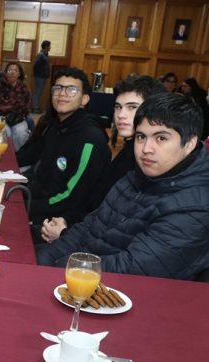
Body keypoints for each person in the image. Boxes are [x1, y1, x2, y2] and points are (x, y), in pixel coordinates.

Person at [37, 93, 209, 280]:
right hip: (82, 273)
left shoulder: (196, 205)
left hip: (122, 289)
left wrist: (56, 269)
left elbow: (132, 268)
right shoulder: (134, 178)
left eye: (161, 138)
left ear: (190, 143)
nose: (146, 149)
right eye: (141, 137)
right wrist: (43, 260)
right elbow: (87, 229)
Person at [41, 75, 167, 243]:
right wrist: (67, 221)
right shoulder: (128, 151)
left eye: (132, 107)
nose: (121, 115)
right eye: (118, 107)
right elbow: (99, 204)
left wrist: (65, 232)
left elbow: (122, 230)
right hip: (81, 227)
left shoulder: (148, 161)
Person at [16, 67, 110, 240]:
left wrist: (26, 206)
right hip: (38, 200)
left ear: (84, 99)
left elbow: (72, 197)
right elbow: (37, 166)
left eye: (71, 89)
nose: (62, 93)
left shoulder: (90, 139)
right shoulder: (56, 127)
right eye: (58, 88)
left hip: (61, 221)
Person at [0, 62, 32, 149]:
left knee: (20, 133)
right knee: (5, 133)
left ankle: (17, 155)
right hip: (0, 118)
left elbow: (27, 106)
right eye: (10, 70)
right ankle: (3, 155)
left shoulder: (24, 87)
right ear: (6, 73)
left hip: (18, 119)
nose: (12, 73)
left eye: (15, 71)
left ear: (19, 74)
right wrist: (15, 105)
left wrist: (9, 105)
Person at [32, 40, 51, 113]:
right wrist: (38, 74)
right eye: (49, 46)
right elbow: (35, 65)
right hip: (40, 77)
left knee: (39, 92)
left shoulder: (45, 55)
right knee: (37, 92)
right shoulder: (41, 55)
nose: (50, 47)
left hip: (42, 76)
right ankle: (35, 108)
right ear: (46, 46)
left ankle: (35, 107)